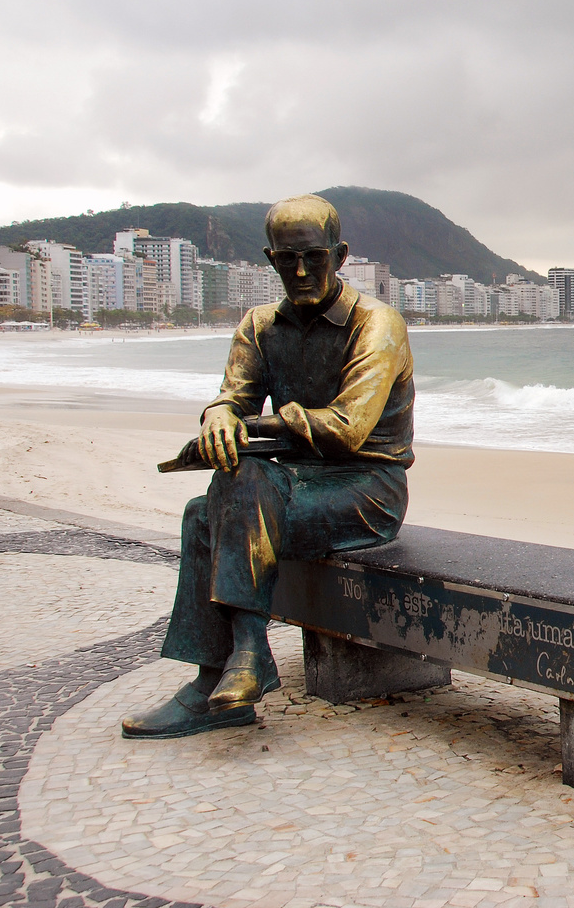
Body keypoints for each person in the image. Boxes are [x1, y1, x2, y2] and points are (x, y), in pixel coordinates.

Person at [122, 194, 415, 739]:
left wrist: (257, 426)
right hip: (284, 486)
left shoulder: (378, 325)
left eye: (314, 257)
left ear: (340, 254)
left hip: (367, 488)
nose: (300, 271)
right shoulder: (259, 326)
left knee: (233, 491)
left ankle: (236, 665)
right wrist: (218, 420)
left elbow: (348, 428)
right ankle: (230, 672)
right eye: (286, 260)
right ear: (270, 258)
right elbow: (232, 396)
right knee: (203, 512)